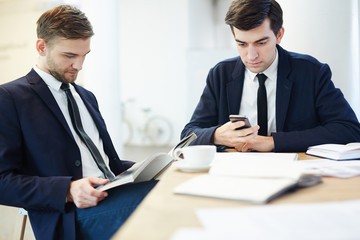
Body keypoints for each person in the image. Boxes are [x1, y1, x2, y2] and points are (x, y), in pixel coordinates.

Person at [0, 5, 156, 240]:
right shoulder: (10, 98)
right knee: (163, 204)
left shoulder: (86, 96)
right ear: (41, 47)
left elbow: (101, 162)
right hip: (71, 215)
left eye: (84, 55)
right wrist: (68, 191)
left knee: (170, 190)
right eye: (69, 56)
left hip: (113, 193)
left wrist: (142, 167)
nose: (79, 66)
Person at [181, 0, 360, 152]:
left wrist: (271, 142)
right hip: (235, 172)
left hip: (295, 172)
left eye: (261, 43)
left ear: (279, 35)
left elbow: (349, 130)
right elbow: (188, 135)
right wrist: (217, 135)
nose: (251, 56)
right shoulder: (220, 74)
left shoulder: (311, 72)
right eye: (242, 44)